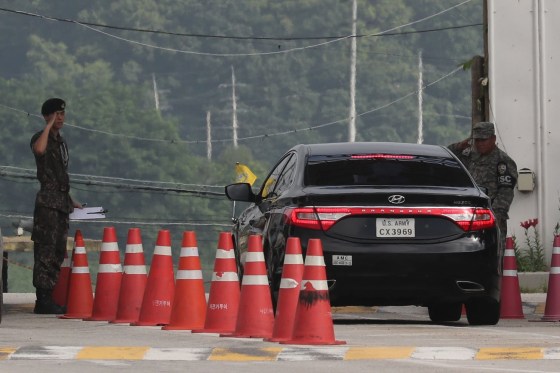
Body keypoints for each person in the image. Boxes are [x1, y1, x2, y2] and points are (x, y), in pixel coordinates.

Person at [30, 98, 82, 314]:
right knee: (46, 250)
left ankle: (48, 298)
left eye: (62, 114)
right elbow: (39, 150)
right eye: (56, 114)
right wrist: (48, 126)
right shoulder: (41, 138)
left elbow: (61, 175)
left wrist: (71, 200)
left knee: (58, 250)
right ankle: (42, 300)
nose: (60, 118)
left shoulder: (61, 142)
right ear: (47, 116)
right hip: (48, 205)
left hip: (61, 203)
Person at [448, 121, 518, 239]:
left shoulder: (502, 161)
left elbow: (505, 194)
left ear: (493, 139)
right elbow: (448, 155)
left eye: (483, 140)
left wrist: (493, 217)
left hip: (489, 217)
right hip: (466, 216)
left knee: (492, 253)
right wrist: (460, 146)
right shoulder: (469, 155)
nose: (480, 144)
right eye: (477, 140)